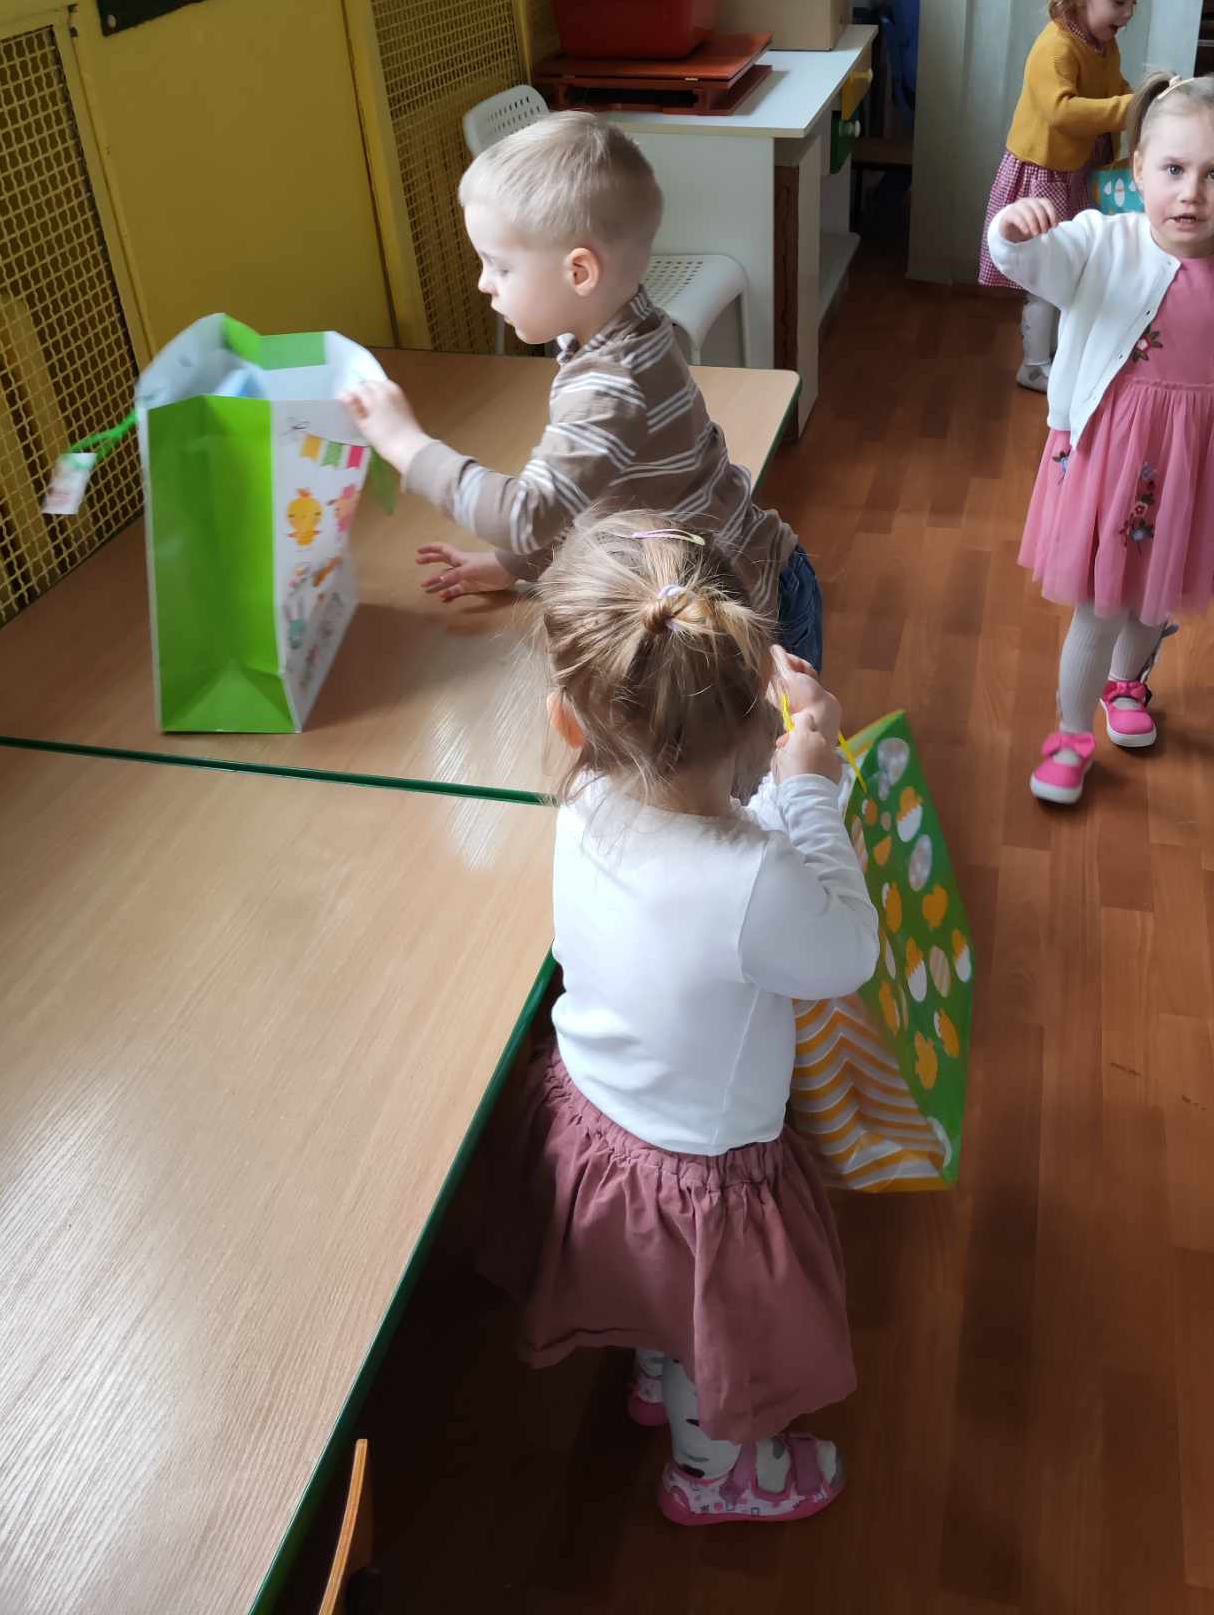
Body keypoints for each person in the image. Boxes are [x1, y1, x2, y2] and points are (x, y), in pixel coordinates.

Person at [480, 513, 877, 1524]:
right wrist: (811, 785)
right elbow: (845, 948)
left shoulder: (583, 799)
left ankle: (659, 1373)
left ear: (571, 723)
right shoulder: (756, 881)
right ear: (755, 715)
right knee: (715, 1329)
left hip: (591, 1119)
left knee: (660, 1290)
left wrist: (779, 787)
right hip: (700, 1166)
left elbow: (712, 846)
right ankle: (715, 1474)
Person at [340, 112, 825, 667]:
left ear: (579, 274)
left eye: (499, 266)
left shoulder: (610, 384)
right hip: (732, 584)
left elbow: (526, 514)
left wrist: (406, 445)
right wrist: (513, 566)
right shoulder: (626, 325)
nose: (483, 283)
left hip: (744, 619)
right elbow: (595, 492)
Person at [987, 72, 1214, 806]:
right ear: (1137, 169)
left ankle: (1125, 685)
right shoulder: (1102, 241)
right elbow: (1036, 264)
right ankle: (1071, 734)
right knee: (1101, 604)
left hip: (1191, 464)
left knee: (1153, 600)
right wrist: (1012, 230)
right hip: (1110, 455)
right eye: (1172, 169)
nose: (1190, 193)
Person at [981, 0, 1157, 391]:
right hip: (1046, 175)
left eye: (1134, 3)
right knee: (1046, 275)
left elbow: (1114, 87)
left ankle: (1060, 356)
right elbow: (1062, 111)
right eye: (1119, 1)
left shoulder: (1102, 44)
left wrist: (1146, 100)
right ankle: (1035, 365)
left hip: (1077, 170)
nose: (1128, 14)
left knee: (1073, 267)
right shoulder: (1056, 47)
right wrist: (1131, 108)